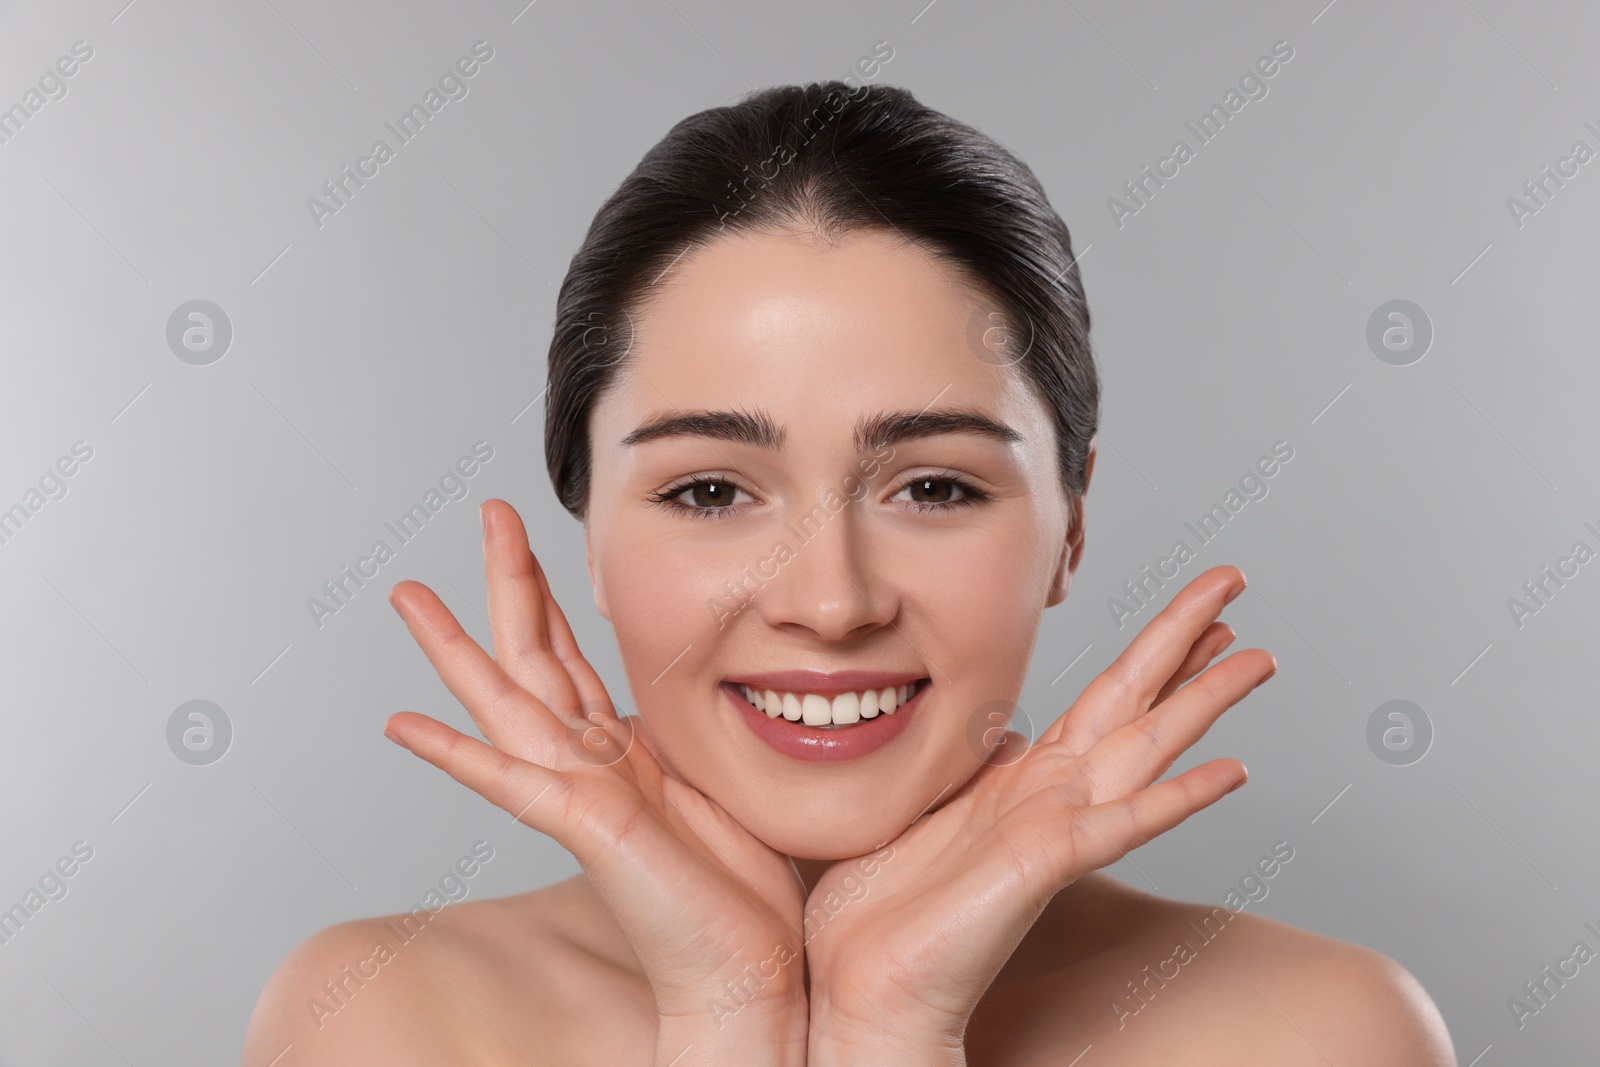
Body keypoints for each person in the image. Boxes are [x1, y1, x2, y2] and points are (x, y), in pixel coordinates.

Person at [244, 81, 1456, 1066]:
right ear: (593, 546)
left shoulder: (1316, 1031)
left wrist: (890, 1033)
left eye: (934, 486)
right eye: (709, 491)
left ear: (1069, 528)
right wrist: (729, 1014)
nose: (829, 602)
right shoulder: (379, 1021)